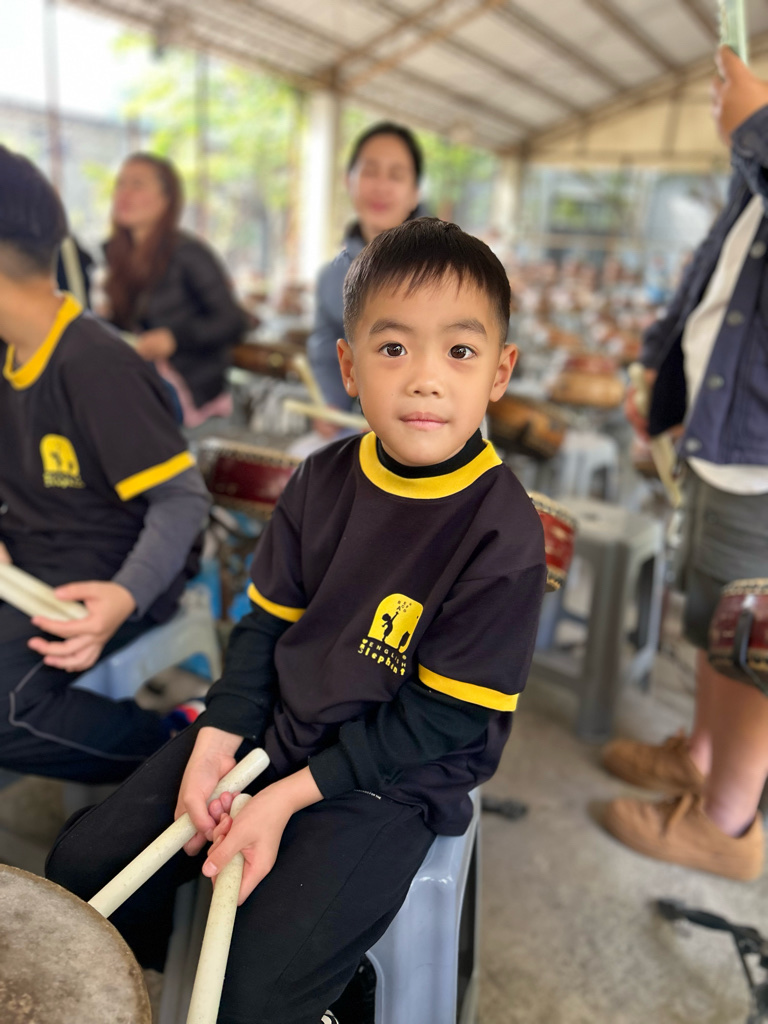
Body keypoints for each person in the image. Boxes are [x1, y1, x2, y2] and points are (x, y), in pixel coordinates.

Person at [47, 218, 547, 1023]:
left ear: (500, 371)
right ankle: (205, 950)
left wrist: (282, 800)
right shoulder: (320, 479)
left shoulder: (503, 531)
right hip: (276, 730)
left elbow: (443, 721)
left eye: (460, 350)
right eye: (394, 348)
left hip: (391, 781)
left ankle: (340, 988)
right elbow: (264, 629)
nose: (426, 378)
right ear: (348, 367)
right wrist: (218, 736)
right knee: (84, 870)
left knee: (254, 992)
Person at [600, 47, 768, 881]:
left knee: (753, 634)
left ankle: (729, 822)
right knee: (712, 615)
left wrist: (757, 128)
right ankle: (701, 759)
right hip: (721, 433)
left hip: (760, 451)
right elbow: (713, 277)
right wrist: (657, 370)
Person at [0, 146, 212, 783]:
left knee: (3, 711)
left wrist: (124, 596)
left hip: (111, 573)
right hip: (31, 557)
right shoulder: (9, 352)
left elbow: (183, 500)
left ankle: (176, 746)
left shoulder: (95, 363)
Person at [103, 152, 248, 427]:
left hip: (189, 389)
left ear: (166, 198)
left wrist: (174, 339)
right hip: (141, 378)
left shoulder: (189, 253)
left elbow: (233, 321)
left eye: (137, 184)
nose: (124, 194)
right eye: (120, 184)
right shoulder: (115, 256)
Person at [307, 121, 423, 423]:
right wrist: (330, 405)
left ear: (414, 193)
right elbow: (327, 356)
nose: (381, 186)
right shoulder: (332, 278)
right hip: (361, 428)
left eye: (396, 175)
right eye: (370, 172)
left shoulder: (448, 268)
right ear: (349, 181)